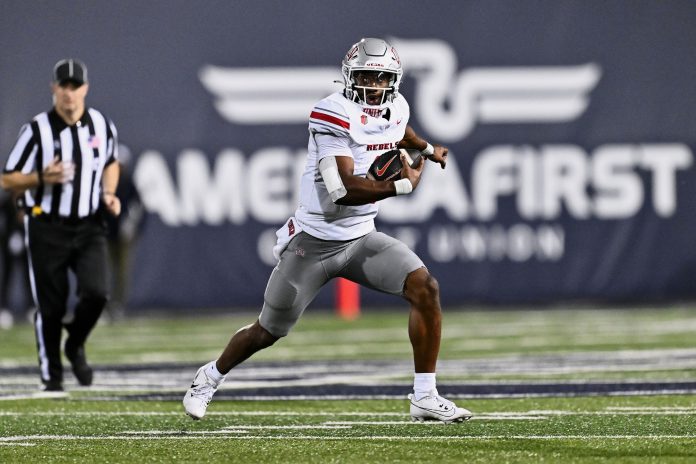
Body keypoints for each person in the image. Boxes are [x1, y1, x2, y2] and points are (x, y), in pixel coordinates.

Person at [183, 38, 472, 423]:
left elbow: (398, 130)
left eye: (381, 78)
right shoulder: (332, 113)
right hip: (313, 243)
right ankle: (209, 377)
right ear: (349, 77)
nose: (373, 86)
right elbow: (344, 191)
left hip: (361, 239)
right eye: (366, 77)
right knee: (268, 330)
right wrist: (404, 185)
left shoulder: (396, 106)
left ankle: (425, 396)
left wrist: (428, 147)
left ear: (394, 81)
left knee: (426, 288)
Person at [0, 58, 121, 391]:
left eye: (75, 86)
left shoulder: (101, 125)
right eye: (63, 86)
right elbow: (8, 179)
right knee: (51, 307)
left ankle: (74, 343)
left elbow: (111, 162)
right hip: (46, 226)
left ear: (85, 88)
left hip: (89, 224)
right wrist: (41, 177)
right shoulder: (37, 129)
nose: (69, 93)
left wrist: (108, 193)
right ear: (53, 89)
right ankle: (51, 377)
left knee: (97, 293)